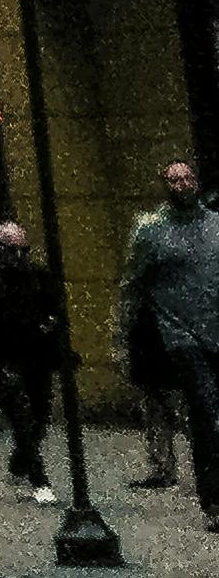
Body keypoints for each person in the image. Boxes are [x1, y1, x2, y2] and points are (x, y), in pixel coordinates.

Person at [120, 163, 219, 498]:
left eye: (188, 178)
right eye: (174, 180)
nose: (182, 185)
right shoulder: (151, 230)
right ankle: (214, 498)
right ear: (164, 185)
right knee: (203, 408)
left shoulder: (215, 225)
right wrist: (124, 334)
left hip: (214, 326)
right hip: (179, 333)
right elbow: (133, 284)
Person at [0, 218, 67, 494]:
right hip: (2, 356)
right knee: (21, 415)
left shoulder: (39, 278)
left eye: (23, 250)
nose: (19, 257)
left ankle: (20, 462)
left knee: (39, 415)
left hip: (36, 354)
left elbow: (55, 312)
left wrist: (51, 330)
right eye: (13, 251)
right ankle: (39, 478)